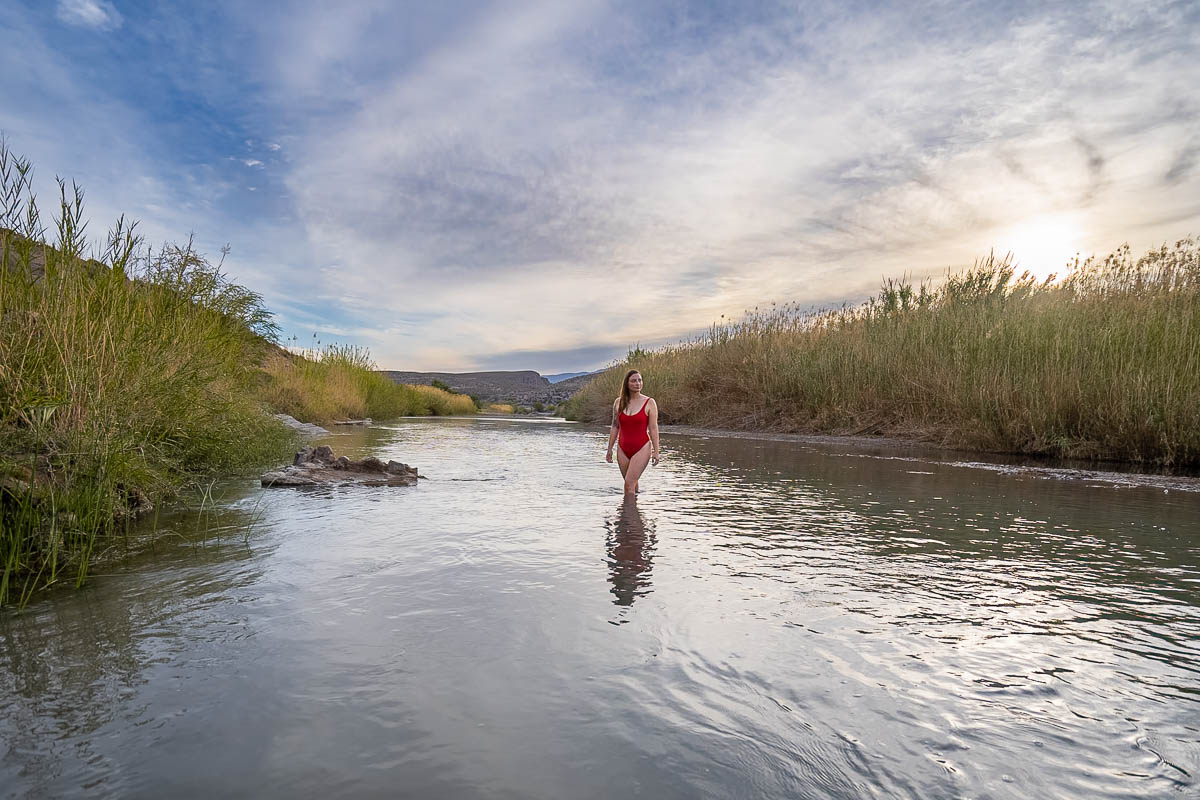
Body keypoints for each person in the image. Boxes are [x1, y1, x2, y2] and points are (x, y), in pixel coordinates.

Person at [605, 370, 660, 495]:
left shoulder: (650, 402)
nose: (638, 383)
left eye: (640, 380)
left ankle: (626, 514)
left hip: (642, 447)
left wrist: (656, 451)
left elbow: (653, 428)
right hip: (622, 448)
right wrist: (609, 449)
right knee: (631, 484)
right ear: (627, 384)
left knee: (628, 484)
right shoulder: (618, 402)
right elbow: (615, 426)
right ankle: (634, 511)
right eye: (634, 381)